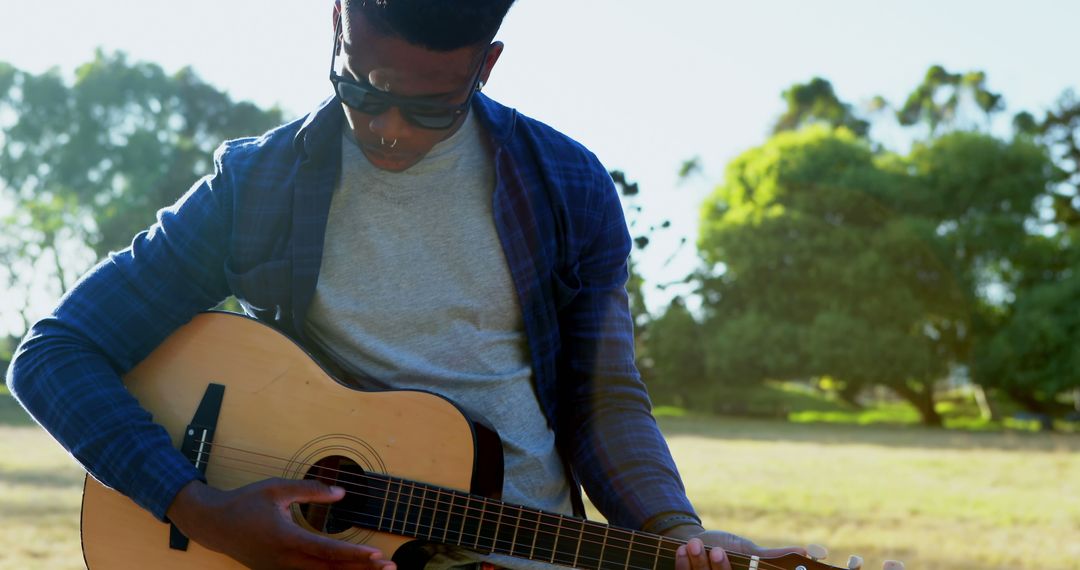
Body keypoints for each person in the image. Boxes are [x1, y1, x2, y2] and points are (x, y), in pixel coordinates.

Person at [7, 1, 805, 569]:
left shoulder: (568, 184)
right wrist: (200, 509)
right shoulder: (258, 185)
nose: (387, 129)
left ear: (486, 66)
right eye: (361, 88)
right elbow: (54, 355)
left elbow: (603, 398)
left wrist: (671, 527)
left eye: (429, 108)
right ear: (336, 21)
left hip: (532, 550)